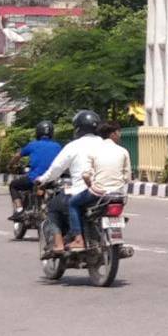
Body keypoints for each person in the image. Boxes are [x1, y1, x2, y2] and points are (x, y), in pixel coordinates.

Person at [34, 110, 102, 256]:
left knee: (53, 206)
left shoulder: (74, 146)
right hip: (107, 193)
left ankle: (61, 243)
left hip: (85, 190)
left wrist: (42, 180)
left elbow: (56, 169)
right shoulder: (105, 144)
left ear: (78, 128)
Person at [66, 121, 131, 250]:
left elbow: (85, 175)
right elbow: (127, 177)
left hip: (99, 193)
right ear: (113, 134)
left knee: (72, 203)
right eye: (119, 132)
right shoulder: (123, 151)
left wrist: (91, 185)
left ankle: (78, 239)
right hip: (118, 195)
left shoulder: (94, 151)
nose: (120, 135)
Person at [6, 120, 61, 222]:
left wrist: (10, 165)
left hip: (35, 179)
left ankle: (19, 210)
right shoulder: (57, 146)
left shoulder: (33, 145)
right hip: (53, 180)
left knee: (13, 185)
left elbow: (18, 155)